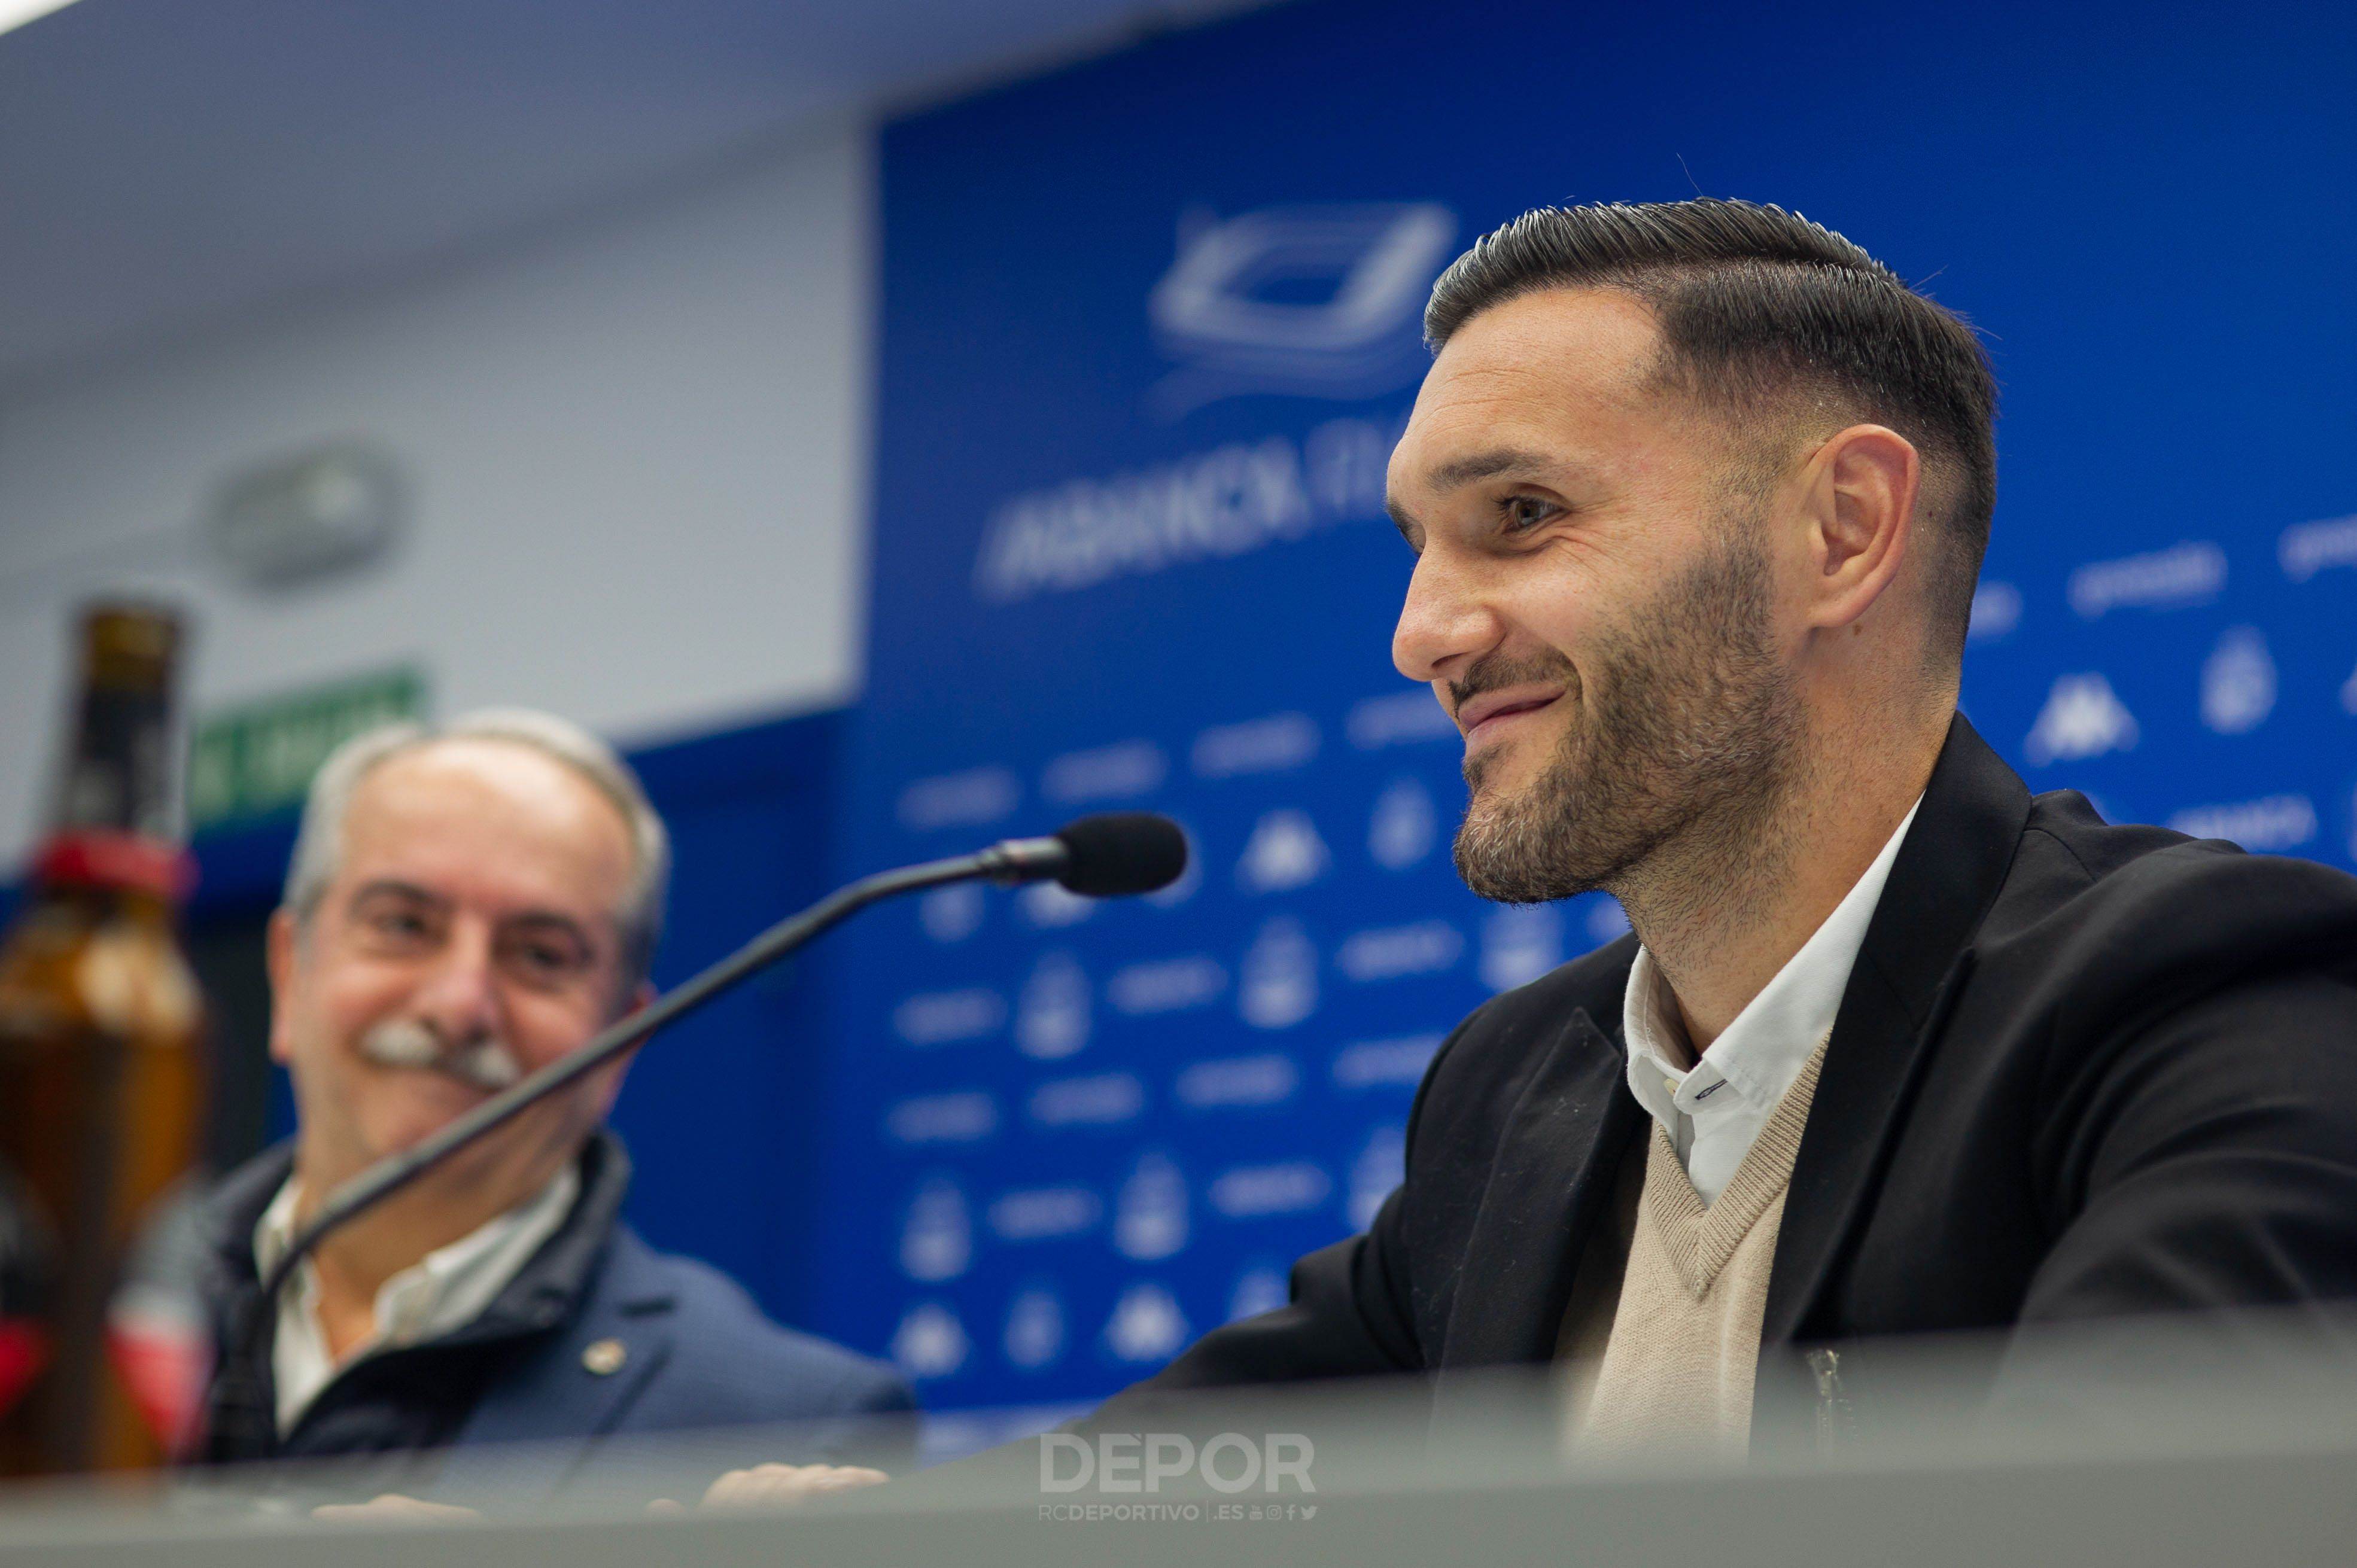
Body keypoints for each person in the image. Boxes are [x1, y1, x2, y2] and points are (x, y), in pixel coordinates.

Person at [1084, 197, 2357, 1458]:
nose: (1421, 637)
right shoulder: (1509, 1082)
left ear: (1842, 530)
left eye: (1521, 514)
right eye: (1418, 546)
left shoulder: (2201, 999)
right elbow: (1143, 1491)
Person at [188, 709, 912, 1499]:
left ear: (621, 1041)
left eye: (539, 955)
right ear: (290, 975)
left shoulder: (786, 1423)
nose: (459, 1003)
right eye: (403, 924)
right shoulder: (78, 1319)